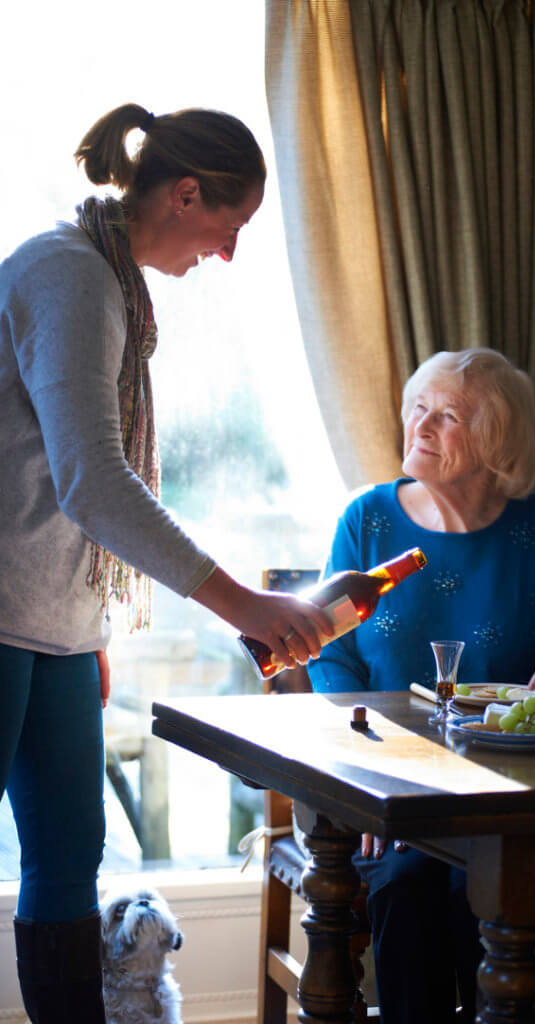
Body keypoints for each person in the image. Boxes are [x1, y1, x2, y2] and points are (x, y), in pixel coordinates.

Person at [0, 103, 332, 1024]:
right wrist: (245, 608)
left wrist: (87, 625)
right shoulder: (67, 276)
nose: (225, 254)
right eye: (229, 226)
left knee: (68, 860)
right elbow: (92, 483)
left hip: (52, 627)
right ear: (185, 194)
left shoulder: (107, 285)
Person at [307, 347, 535, 1024]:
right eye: (417, 405)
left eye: (446, 415)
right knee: (411, 884)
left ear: (496, 438)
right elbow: (330, 661)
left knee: (495, 889)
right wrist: (365, 769)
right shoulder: (368, 521)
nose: (420, 424)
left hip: (520, 799)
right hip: (397, 792)